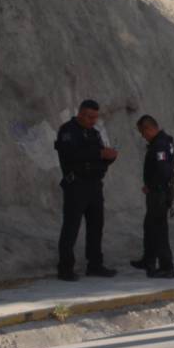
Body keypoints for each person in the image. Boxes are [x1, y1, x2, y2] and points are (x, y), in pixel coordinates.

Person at [54, 99, 119, 281]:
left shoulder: (94, 133)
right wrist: (99, 154)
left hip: (94, 185)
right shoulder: (68, 131)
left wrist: (109, 157)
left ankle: (95, 264)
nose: (93, 121)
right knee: (71, 227)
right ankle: (65, 268)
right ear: (81, 114)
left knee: (96, 226)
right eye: (90, 117)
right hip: (76, 185)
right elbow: (71, 155)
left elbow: (98, 156)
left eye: (95, 118)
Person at [131, 115, 174, 278]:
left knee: (159, 229)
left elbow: (164, 171)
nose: (143, 136)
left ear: (148, 129)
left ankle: (166, 267)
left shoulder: (159, 145)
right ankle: (148, 259)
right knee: (150, 226)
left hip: (158, 193)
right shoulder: (165, 140)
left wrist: (151, 186)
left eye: (143, 133)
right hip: (159, 192)